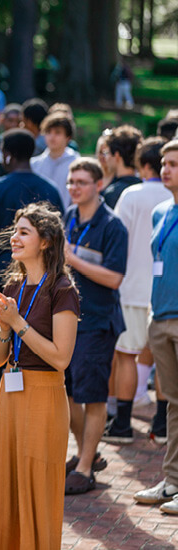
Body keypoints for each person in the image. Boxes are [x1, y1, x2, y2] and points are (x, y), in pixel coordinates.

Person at [0, 203, 79, 549]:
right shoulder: (14, 284)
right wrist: (4, 328)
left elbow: (61, 358)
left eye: (23, 232)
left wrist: (18, 323)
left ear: (46, 242)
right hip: (10, 393)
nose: (13, 238)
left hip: (45, 396)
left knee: (36, 486)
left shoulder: (63, 289)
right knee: (2, 480)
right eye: (15, 231)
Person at [0, 129, 64, 426]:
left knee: (5, 339)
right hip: (27, 278)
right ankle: (5, 407)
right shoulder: (51, 189)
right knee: (6, 343)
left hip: (0, 278)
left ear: (7, 155)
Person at [62, 158, 128, 495]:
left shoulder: (112, 225)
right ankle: (87, 451)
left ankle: (85, 467)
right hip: (68, 321)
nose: (74, 187)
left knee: (93, 396)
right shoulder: (69, 217)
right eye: (72, 181)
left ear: (98, 185)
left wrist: (73, 259)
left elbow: (115, 278)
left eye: (82, 182)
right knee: (70, 395)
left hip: (98, 322)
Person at [104, 137, 172, 445]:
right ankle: (162, 421)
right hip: (163, 291)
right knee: (162, 359)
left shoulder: (132, 194)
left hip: (131, 285)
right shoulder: (168, 199)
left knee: (126, 355)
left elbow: (116, 238)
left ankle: (122, 423)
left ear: (143, 163)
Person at [132, 139, 178, 514]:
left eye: (174, 164)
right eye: (164, 162)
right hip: (160, 317)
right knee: (173, 404)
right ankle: (173, 481)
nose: (165, 169)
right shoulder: (161, 210)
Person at [31, 112, 80, 209]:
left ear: (68, 137)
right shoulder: (34, 164)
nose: (52, 137)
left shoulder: (77, 163)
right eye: (48, 132)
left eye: (57, 133)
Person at [102, 125, 143, 209]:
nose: (105, 158)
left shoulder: (112, 193)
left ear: (117, 155)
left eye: (107, 153)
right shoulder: (143, 185)